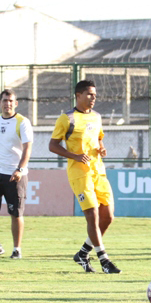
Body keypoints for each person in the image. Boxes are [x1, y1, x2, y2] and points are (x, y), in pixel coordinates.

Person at [49, 79, 121, 274]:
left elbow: (98, 137)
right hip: (80, 173)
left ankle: (83, 253)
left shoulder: (96, 117)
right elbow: (52, 145)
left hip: (99, 171)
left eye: (95, 95)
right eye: (89, 94)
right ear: (78, 95)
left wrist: (102, 147)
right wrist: (75, 156)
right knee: (93, 215)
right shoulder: (67, 119)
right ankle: (104, 260)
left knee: (108, 217)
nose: (93, 98)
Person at [0, 89, 33, 260]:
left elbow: (27, 148)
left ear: (15, 103)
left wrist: (20, 169)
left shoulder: (22, 122)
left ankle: (17, 249)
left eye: (11, 101)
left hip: (15, 175)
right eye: (4, 100)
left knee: (15, 213)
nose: (7, 103)